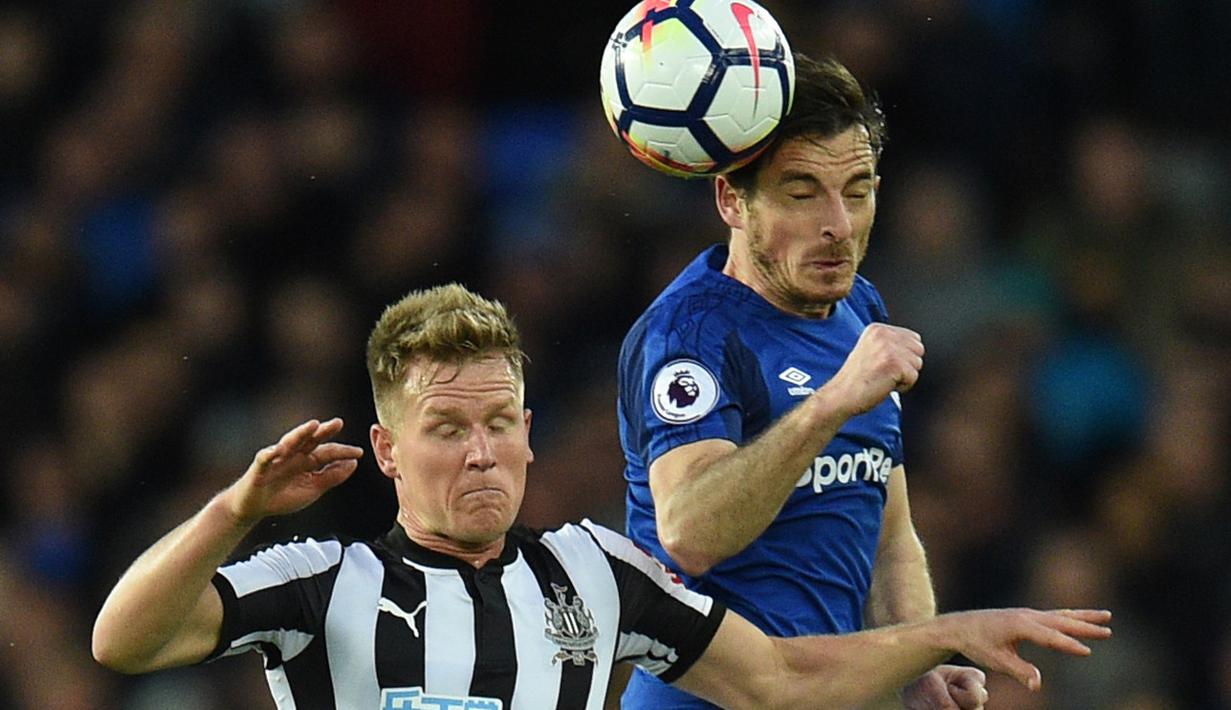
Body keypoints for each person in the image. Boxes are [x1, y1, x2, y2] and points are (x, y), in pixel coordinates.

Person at [93, 283, 1111, 709]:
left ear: (530, 432)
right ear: (388, 450)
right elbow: (122, 640)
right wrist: (236, 508)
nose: (481, 451)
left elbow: (781, 679)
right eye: (447, 429)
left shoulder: (598, 572)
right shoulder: (322, 582)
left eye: (500, 421)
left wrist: (945, 632)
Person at [618, 53, 977, 708]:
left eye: (858, 190)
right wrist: (831, 402)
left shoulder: (860, 310)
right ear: (731, 199)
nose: (837, 225)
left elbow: (889, 538)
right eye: (802, 192)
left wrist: (917, 659)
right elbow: (689, 534)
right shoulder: (689, 336)